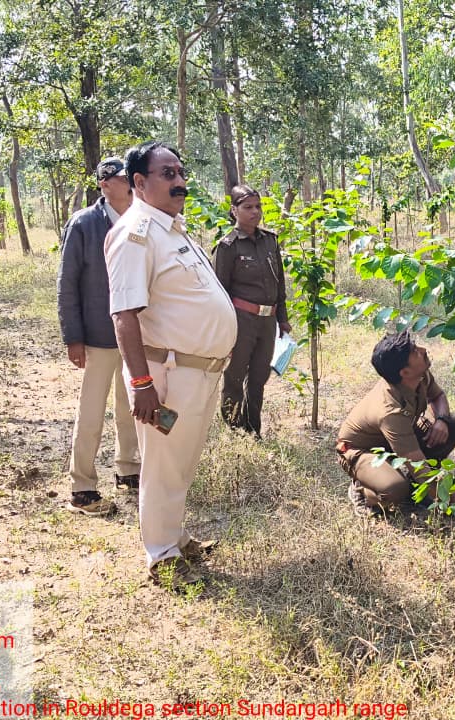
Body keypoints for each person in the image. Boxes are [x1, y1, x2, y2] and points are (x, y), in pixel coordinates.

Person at [105, 141, 236, 588]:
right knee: (162, 466)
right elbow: (124, 315)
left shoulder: (171, 229)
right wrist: (142, 384)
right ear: (139, 182)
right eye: (167, 174)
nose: (179, 182)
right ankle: (161, 555)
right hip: (167, 375)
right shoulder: (135, 234)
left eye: (180, 173)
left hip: (198, 371)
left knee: (181, 461)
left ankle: (176, 537)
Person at [336, 332, 455, 534]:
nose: (423, 350)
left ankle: (418, 486)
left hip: (396, 439)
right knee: (395, 488)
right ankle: (363, 491)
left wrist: (441, 420)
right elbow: (421, 470)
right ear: (404, 372)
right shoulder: (390, 411)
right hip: (360, 450)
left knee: (452, 424)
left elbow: (438, 396)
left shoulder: (419, 375)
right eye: (415, 352)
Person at [56, 157, 141, 516]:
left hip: (135, 333)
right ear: (105, 184)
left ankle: (129, 469)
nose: (130, 184)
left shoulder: (140, 220)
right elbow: (67, 283)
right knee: (91, 413)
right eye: (123, 179)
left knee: (130, 407)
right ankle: (83, 488)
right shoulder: (84, 223)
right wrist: (73, 337)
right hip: (97, 334)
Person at [213, 184, 291, 437]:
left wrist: (283, 319)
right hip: (241, 321)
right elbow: (219, 293)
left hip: (267, 322)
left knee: (259, 377)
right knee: (235, 376)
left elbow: (279, 283)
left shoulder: (270, 241)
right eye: (248, 207)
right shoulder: (228, 247)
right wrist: (225, 330)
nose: (255, 212)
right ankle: (233, 430)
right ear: (234, 210)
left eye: (258, 206)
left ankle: (253, 428)